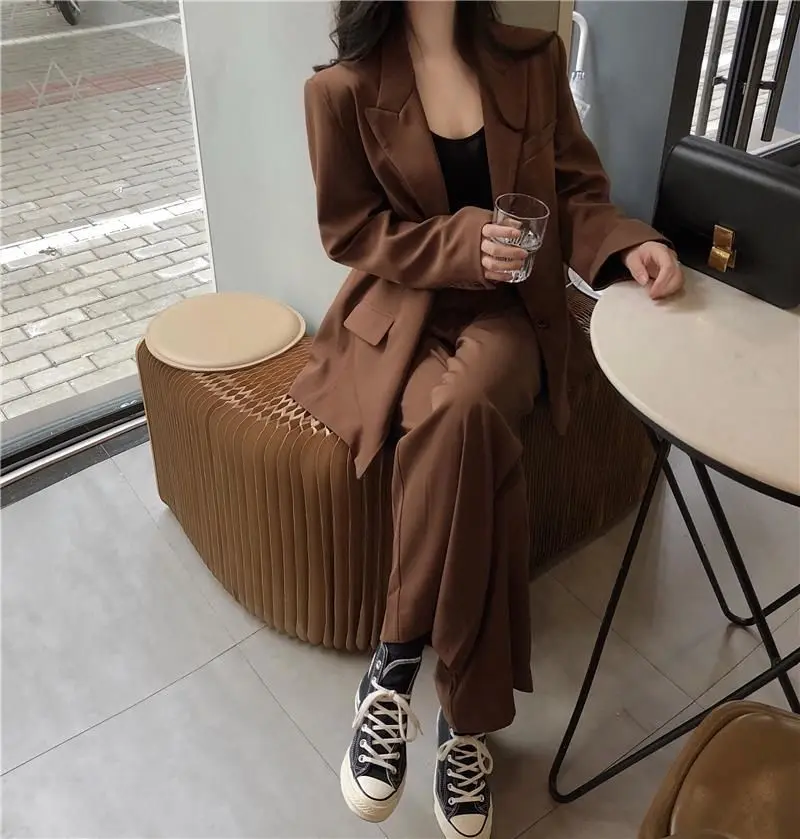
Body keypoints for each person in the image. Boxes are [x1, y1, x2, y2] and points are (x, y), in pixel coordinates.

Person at [290, 2, 684, 837]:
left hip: (508, 318)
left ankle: (393, 661)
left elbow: (575, 191)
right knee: (473, 443)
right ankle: (465, 722)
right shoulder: (339, 91)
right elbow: (351, 232)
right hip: (401, 320)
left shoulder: (533, 60)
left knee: (467, 409)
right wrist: (458, 243)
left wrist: (625, 245)